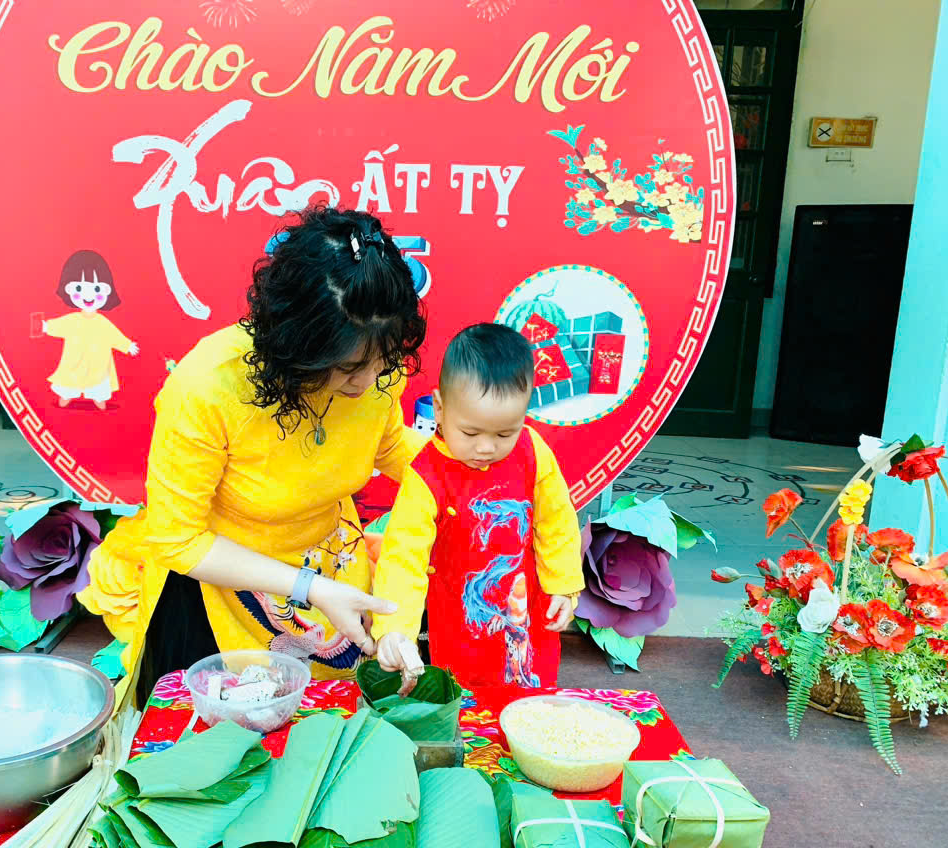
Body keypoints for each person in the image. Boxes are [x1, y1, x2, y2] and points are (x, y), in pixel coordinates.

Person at [95, 205, 429, 705]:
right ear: (297, 348)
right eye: (348, 367)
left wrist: (480, 467)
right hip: (218, 582)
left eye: (384, 360)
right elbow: (178, 541)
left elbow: (391, 447)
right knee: (228, 728)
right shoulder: (207, 388)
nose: (368, 380)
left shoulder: (376, 369)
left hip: (332, 564)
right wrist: (311, 589)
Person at [371, 323, 585, 692]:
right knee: (465, 697)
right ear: (440, 409)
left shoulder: (533, 451)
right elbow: (402, 558)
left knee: (526, 689)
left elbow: (557, 522)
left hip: (525, 609)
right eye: (470, 433)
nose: (486, 448)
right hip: (461, 619)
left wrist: (563, 587)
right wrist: (395, 629)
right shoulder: (426, 475)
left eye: (505, 433)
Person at [43, 249, 139, 410]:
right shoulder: (72, 320)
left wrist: (127, 345)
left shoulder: (102, 323)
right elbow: (58, 325)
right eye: (79, 288)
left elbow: (114, 335)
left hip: (98, 363)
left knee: (99, 386)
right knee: (68, 384)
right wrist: (46, 326)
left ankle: (99, 401)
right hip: (74, 362)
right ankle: (65, 398)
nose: (88, 295)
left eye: (96, 289)